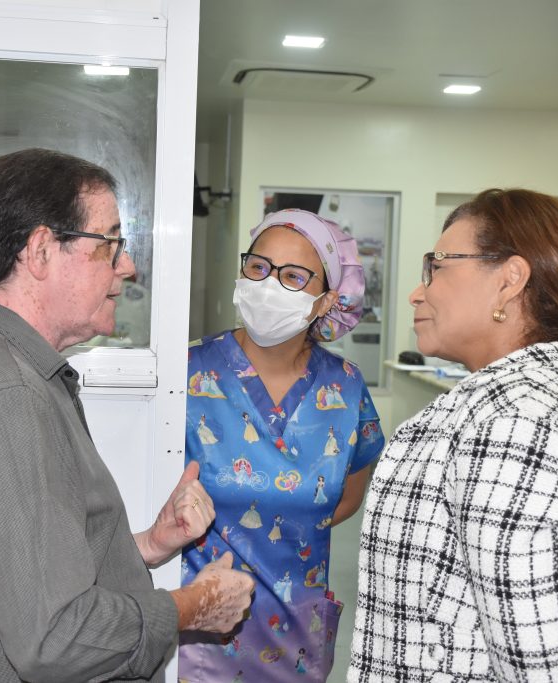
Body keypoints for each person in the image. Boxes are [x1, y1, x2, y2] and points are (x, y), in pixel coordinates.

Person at [0, 148, 254, 683]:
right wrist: (194, 605)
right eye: (108, 243)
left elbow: (29, 578)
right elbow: (56, 639)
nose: (127, 266)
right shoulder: (8, 397)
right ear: (41, 251)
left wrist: (149, 544)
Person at [349, 189, 558, 681]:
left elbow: (539, 670)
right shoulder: (541, 404)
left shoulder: (517, 425)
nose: (417, 293)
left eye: (436, 267)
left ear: (510, 280)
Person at [179, 209, 386, 682]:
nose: (269, 284)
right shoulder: (188, 371)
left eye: (293, 276)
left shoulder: (346, 387)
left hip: (296, 637)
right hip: (202, 633)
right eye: (258, 267)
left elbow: (348, 497)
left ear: (326, 300)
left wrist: (278, 518)